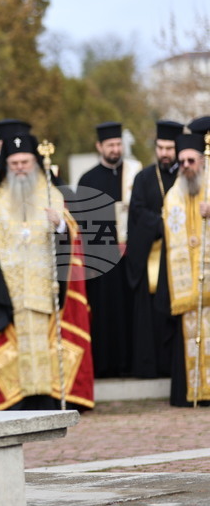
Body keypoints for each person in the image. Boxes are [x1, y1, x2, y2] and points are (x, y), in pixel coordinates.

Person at [0, 134, 94, 410]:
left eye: (25, 162)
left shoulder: (51, 194)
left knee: (48, 343)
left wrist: (59, 226)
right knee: (17, 345)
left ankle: (50, 398)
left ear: (35, 162)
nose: (20, 167)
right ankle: (19, 401)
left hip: (46, 287)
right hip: (11, 289)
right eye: (14, 163)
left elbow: (71, 237)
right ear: (6, 165)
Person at [77, 122, 141, 378]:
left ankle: (131, 364)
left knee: (131, 311)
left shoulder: (135, 176)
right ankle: (105, 366)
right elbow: (82, 222)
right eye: (110, 145)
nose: (115, 149)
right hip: (101, 260)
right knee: (105, 312)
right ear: (99, 146)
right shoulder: (88, 179)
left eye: (118, 144)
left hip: (131, 259)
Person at [125, 120, 183, 381]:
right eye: (160, 148)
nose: (164, 153)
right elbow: (137, 212)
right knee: (151, 313)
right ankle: (152, 366)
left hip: (181, 255)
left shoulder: (188, 176)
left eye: (169, 148)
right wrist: (162, 224)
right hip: (153, 255)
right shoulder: (144, 178)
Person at [160, 126, 210, 406]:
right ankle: (191, 392)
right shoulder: (173, 196)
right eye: (182, 162)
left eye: (191, 160)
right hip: (187, 285)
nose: (186, 166)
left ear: (202, 161)